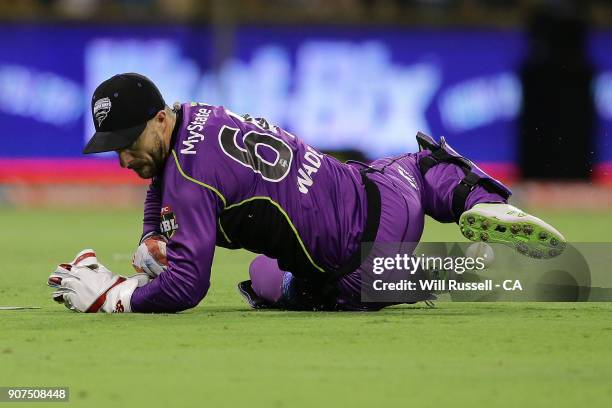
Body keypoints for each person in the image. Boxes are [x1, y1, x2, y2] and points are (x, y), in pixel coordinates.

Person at [47, 73, 566, 313]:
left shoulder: (188, 177)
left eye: (128, 142)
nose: (121, 158)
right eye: (112, 148)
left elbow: (187, 288)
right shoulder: (193, 116)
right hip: (386, 195)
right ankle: (480, 203)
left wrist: (118, 297)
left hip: (351, 271)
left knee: (267, 282)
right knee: (424, 161)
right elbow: (169, 174)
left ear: (160, 120)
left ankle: (414, 280)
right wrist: (150, 233)